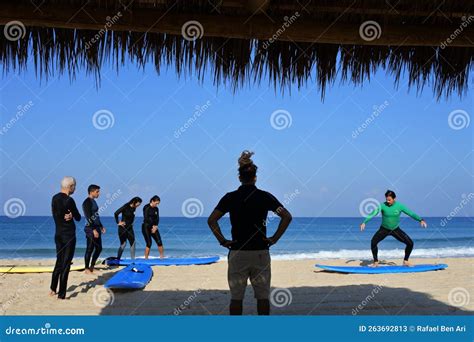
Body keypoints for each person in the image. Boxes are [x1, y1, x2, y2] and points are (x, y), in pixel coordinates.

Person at [207, 151, 292, 315]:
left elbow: (212, 220)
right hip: (260, 251)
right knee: (263, 298)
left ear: (239, 178)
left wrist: (223, 241)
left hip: (238, 251)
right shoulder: (265, 196)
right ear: (255, 177)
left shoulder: (230, 197)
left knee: (236, 298)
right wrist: (274, 238)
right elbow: (286, 217)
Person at [360, 190, 427, 267]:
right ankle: (376, 262)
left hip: (395, 229)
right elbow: (373, 213)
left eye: (389, 200)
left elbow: (410, 213)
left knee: (410, 243)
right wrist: (364, 222)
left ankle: (405, 261)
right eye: (386, 199)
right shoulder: (382, 205)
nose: (387, 201)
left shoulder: (400, 206)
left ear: (394, 198)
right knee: (373, 242)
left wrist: (420, 220)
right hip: (384, 229)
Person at [50, 176, 81, 300]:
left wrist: (68, 215)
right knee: (66, 264)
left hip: (58, 234)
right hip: (68, 235)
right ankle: (62, 295)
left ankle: (52, 289)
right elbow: (78, 217)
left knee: (59, 261)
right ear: (71, 186)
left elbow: (56, 214)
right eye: (75, 186)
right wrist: (73, 215)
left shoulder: (54, 198)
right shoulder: (69, 200)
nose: (75, 189)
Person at [82, 184, 106, 273]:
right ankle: (86, 268)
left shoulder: (94, 201)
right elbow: (88, 216)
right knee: (90, 248)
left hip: (96, 227)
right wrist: (93, 229)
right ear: (91, 192)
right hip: (90, 228)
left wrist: (101, 226)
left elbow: (96, 216)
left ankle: (92, 266)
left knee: (99, 248)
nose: (98, 193)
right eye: (97, 191)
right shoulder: (86, 202)